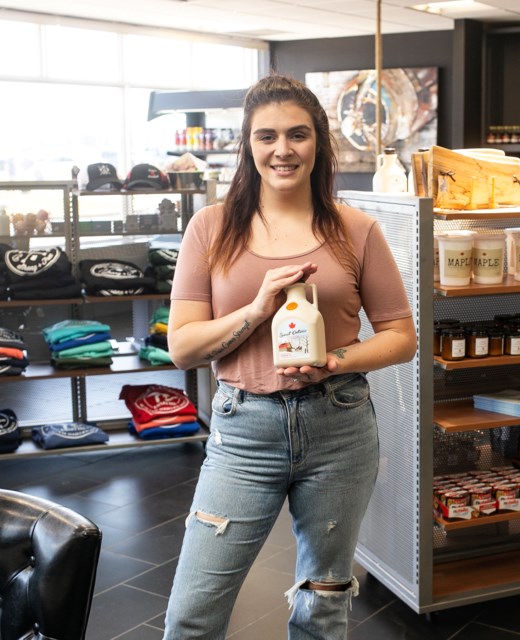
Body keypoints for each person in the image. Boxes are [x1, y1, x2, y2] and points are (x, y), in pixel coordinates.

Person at [163, 73, 417, 639]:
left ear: (319, 143)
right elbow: (181, 347)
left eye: (298, 135)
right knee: (192, 615)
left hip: (340, 428)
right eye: (267, 136)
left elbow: (402, 335)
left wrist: (337, 360)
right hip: (243, 433)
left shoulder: (357, 230)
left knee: (322, 607)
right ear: (248, 146)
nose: (282, 150)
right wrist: (255, 310)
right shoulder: (210, 229)